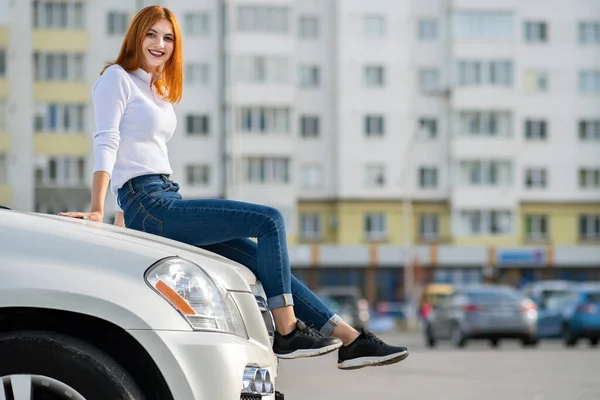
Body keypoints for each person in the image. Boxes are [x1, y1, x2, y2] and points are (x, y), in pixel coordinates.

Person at [59, 5, 408, 370]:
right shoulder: (116, 77)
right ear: (136, 36)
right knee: (269, 220)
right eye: (151, 34)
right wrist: (99, 207)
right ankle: (287, 331)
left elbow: (140, 151)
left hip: (160, 197)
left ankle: (350, 340)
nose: (159, 44)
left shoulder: (155, 89)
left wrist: (122, 221)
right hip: (148, 202)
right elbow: (108, 142)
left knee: (259, 258)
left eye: (168, 38)